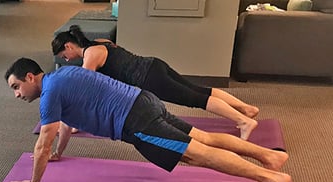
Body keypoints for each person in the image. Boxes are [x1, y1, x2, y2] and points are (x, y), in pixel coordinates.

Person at [4, 58, 291, 182]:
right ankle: (268, 157)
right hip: (144, 101)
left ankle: (272, 178)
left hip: (137, 122)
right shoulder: (62, 76)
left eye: (16, 87)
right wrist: (59, 153)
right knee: (203, 138)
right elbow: (64, 124)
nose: (17, 95)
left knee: (196, 154)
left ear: (31, 77)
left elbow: (42, 143)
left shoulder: (49, 94)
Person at [53, 26, 260, 140]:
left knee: (195, 98)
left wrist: (70, 122)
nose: (67, 60)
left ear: (69, 46)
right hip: (154, 64)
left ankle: (244, 121)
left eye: (64, 55)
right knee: (198, 90)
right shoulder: (99, 42)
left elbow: (82, 91)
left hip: (149, 78)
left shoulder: (90, 56)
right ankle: (245, 109)